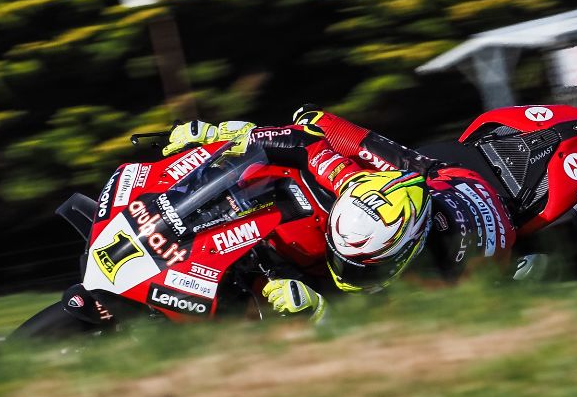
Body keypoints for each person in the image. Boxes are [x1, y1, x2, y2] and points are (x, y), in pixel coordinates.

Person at [161, 107, 517, 322]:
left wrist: (321, 308)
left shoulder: (442, 275)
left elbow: (389, 338)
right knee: (311, 118)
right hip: (431, 177)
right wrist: (226, 135)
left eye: (363, 267)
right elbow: (304, 142)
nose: (344, 271)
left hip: (462, 201)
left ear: (408, 254)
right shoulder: (353, 181)